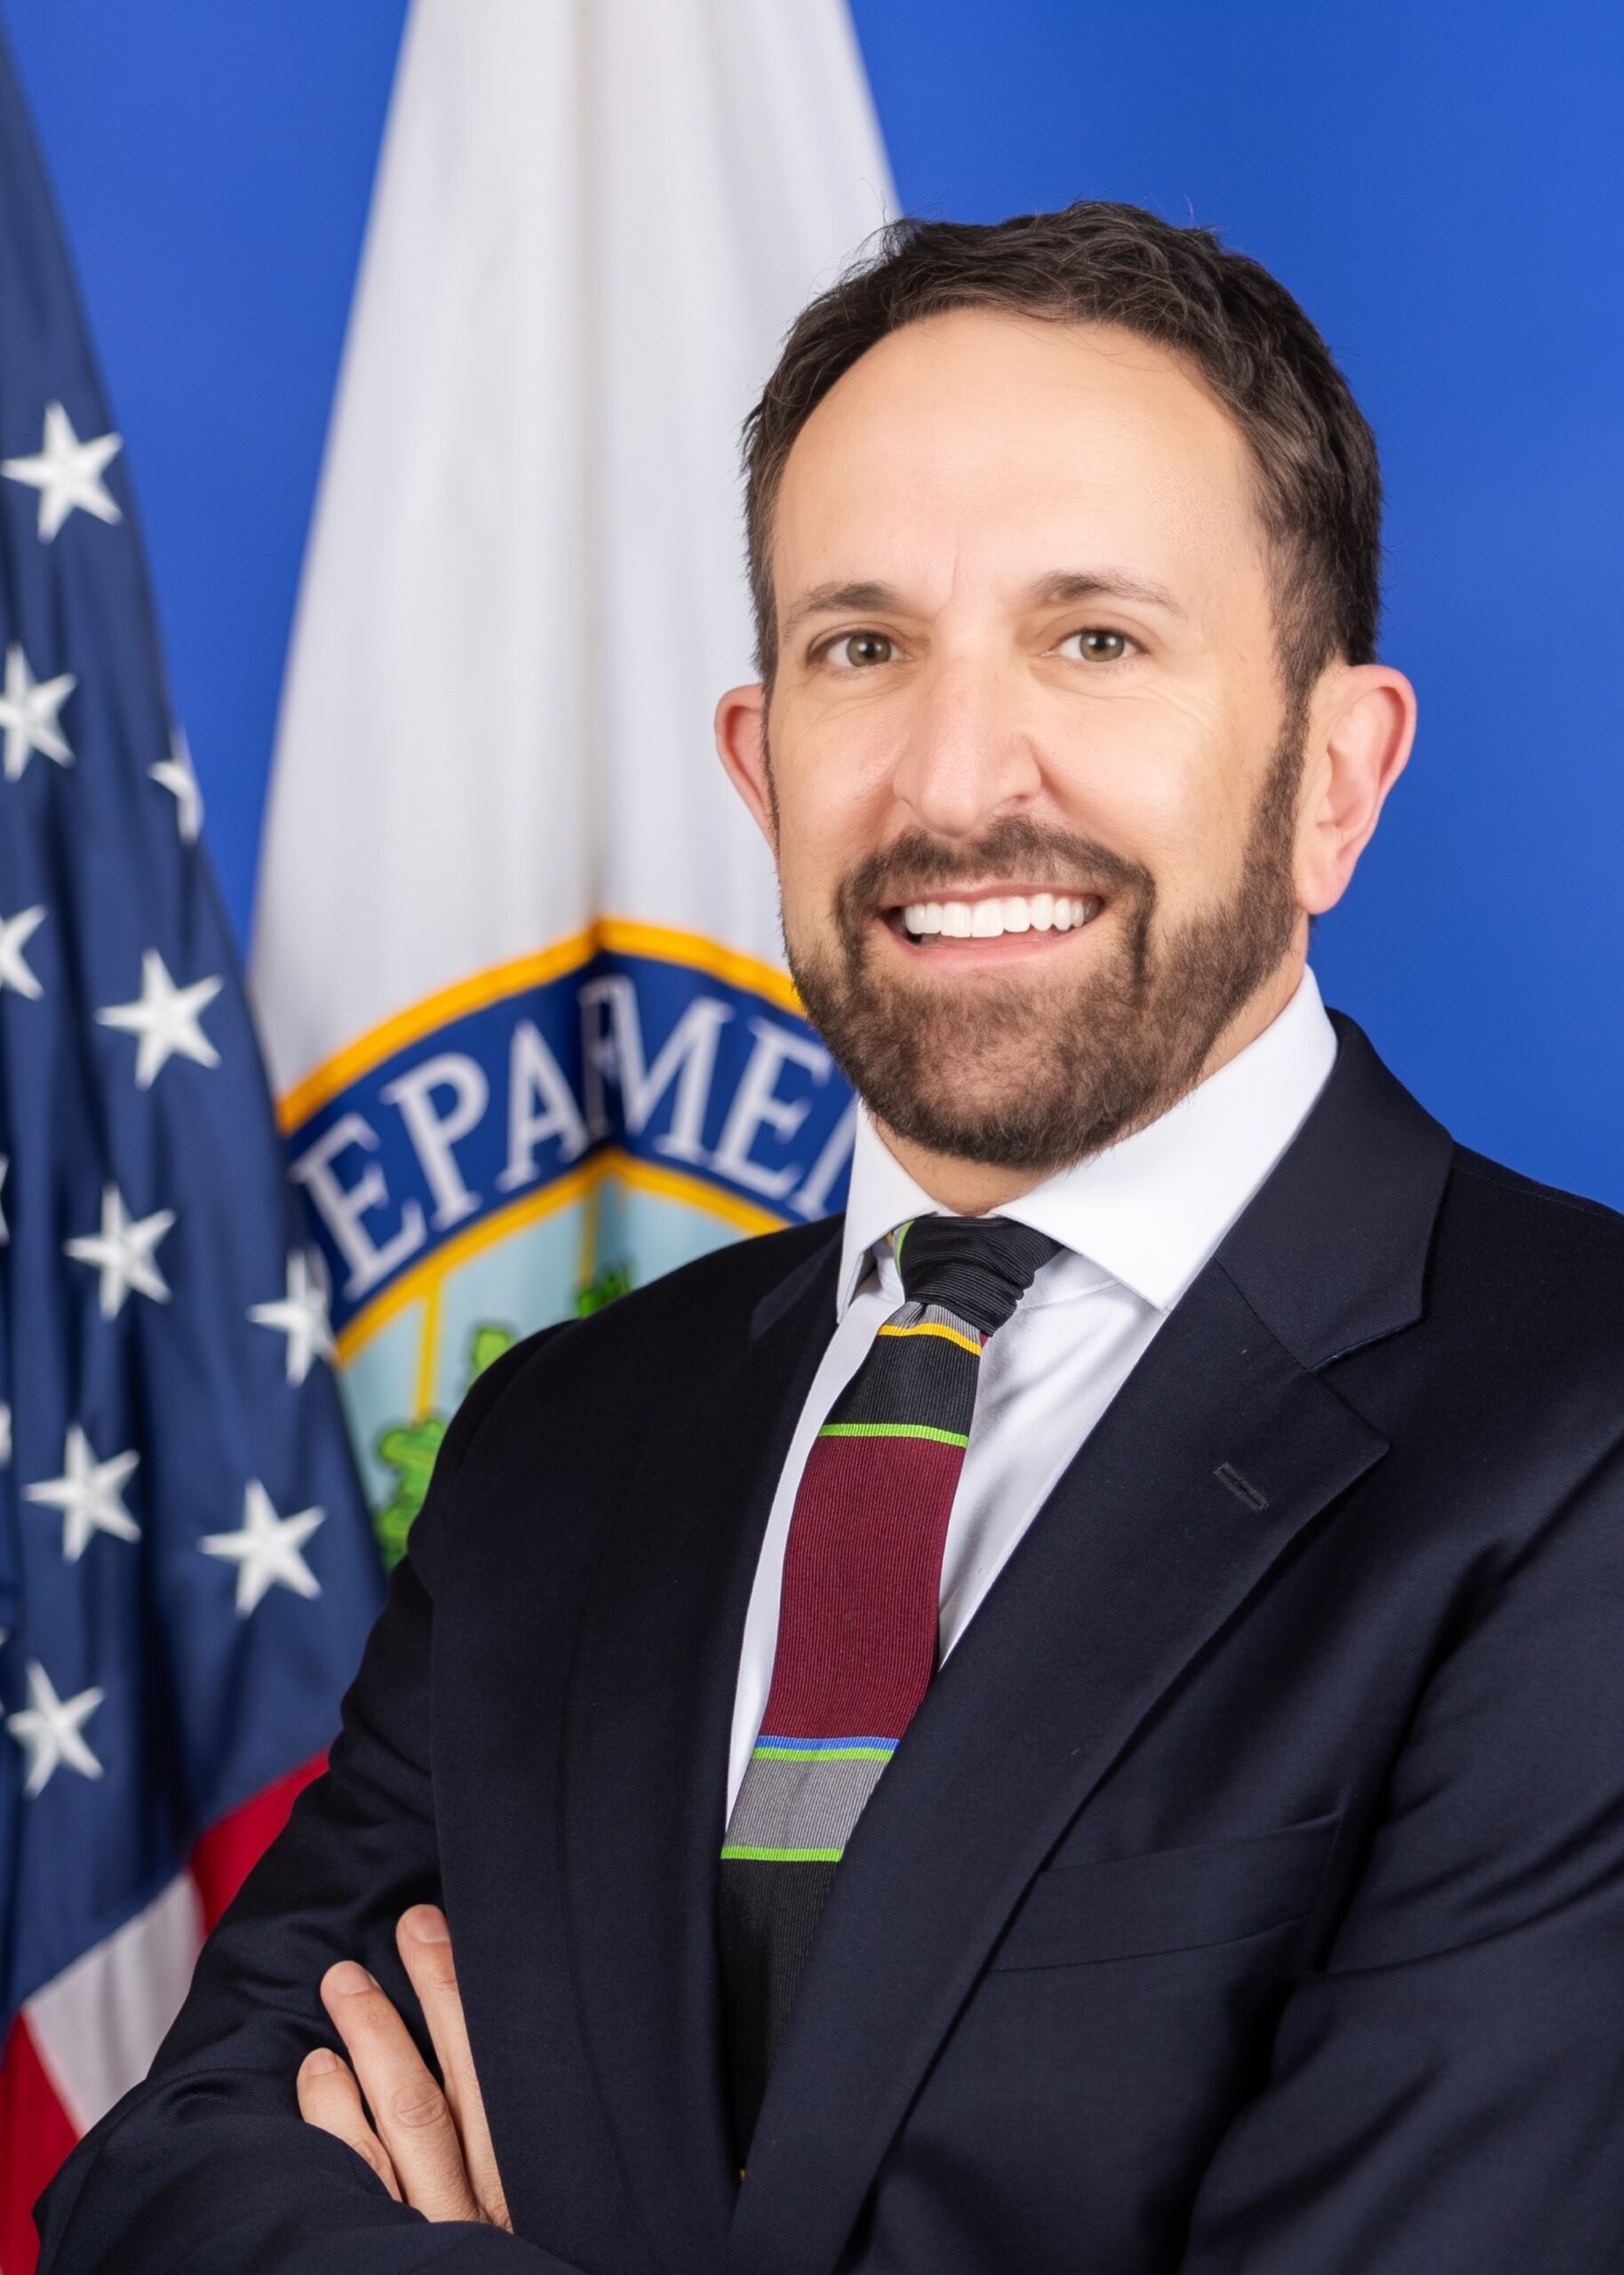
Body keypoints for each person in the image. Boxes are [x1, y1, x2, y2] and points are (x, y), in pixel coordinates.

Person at [36, 200, 1624, 2275]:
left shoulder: (1573, 1440)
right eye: (861, 647)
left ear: (1334, 774)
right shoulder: (564, 1437)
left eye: (1095, 638)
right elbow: (156, 2194)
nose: (956, 778)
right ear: (756, 760)